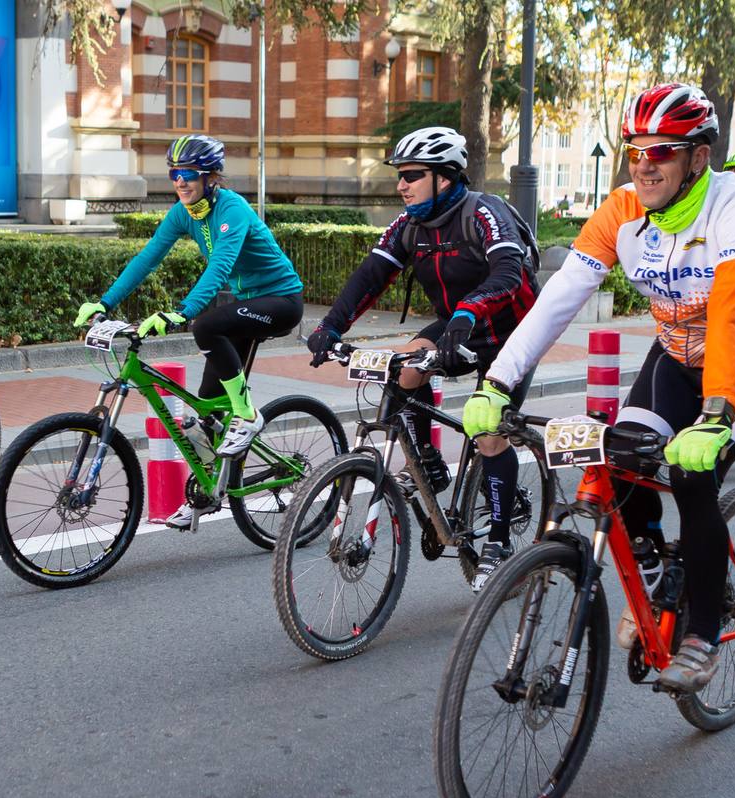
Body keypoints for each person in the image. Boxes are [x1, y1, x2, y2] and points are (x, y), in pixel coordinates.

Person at [462, 83, 735, 693]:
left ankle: (700, 630)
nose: (645, 164)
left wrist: (716, 416)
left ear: (698, 156)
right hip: (674, 356)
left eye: (663, 152)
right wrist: (498, 383)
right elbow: (557, 299)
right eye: (635, 150)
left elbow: (728, 319)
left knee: (695, 476)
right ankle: (659, 564)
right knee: (619, 457)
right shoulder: (619, 211)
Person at [303, 126, 539, 589]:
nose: (401, 184)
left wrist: (468, 312)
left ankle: (498, 542)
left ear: (445, 177)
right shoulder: (410, 224)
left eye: (411, 175)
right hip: (457, 327)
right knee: (404, 369)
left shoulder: (483, 212)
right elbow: (370, 277)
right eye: (400, 175)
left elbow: (509, 271)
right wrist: (329, 327)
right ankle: (428, 460)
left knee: (488, 432)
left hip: (511, 332)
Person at [74, 134, 306, 527]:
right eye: (174, 174)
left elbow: (220, 266)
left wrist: (181, 312)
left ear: (211, 177)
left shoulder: (232, 208)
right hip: (246, 304)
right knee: (206, 412)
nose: (180, 181)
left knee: (207, 325)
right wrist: (104, 302)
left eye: (189, 174)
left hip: (281, 301)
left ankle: (248, 415)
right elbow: (147, 259)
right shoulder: (184, 213)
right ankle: (205, 494)